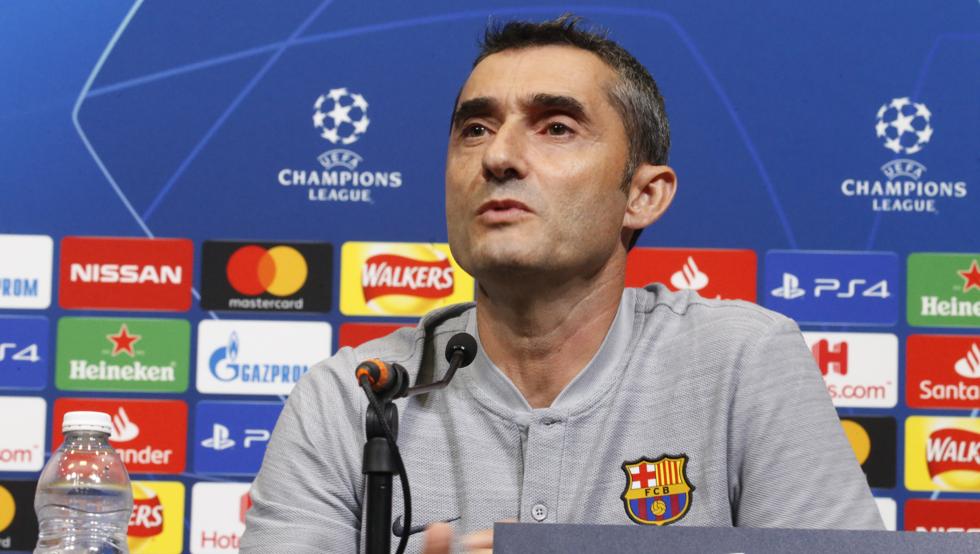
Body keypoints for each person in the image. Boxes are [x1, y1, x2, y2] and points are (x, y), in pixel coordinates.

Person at [241, 15, 883, 553]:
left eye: (556, 127)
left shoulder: (742, 363)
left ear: (643, 195)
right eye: (475, 129)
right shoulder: (351, 397)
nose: (498, 157)